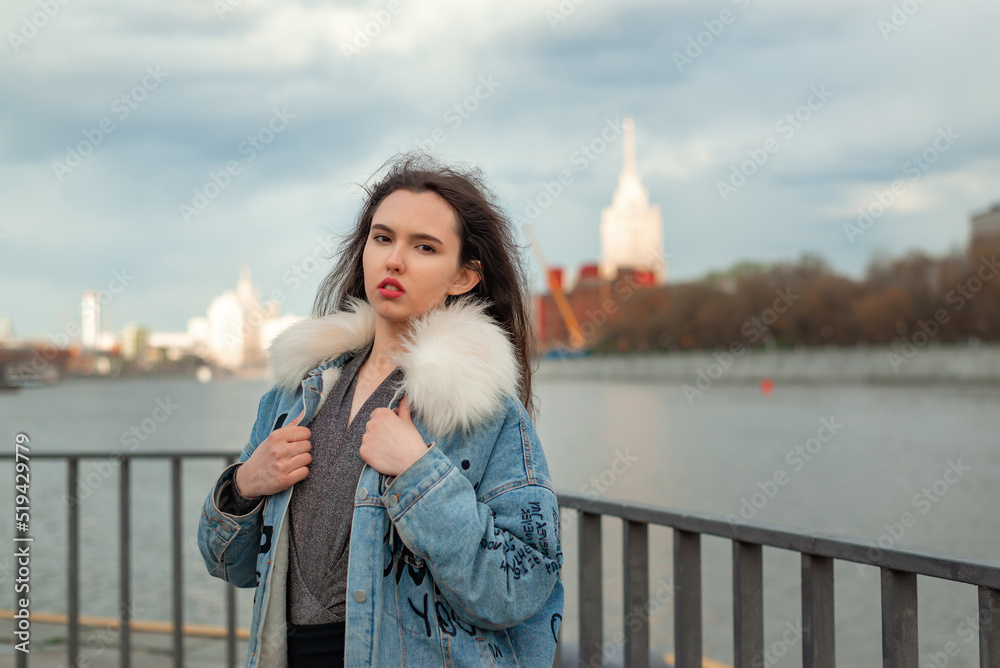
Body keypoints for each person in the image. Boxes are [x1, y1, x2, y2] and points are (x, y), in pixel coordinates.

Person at [197, 153, 564, 667]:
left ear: (463, 277)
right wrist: (243, 487)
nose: (394, 260)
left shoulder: (484, 412)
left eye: (425, 247)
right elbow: (228, 566)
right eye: (382, 237)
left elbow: (518, 589)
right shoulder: (297, 393)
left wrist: (421, 476)